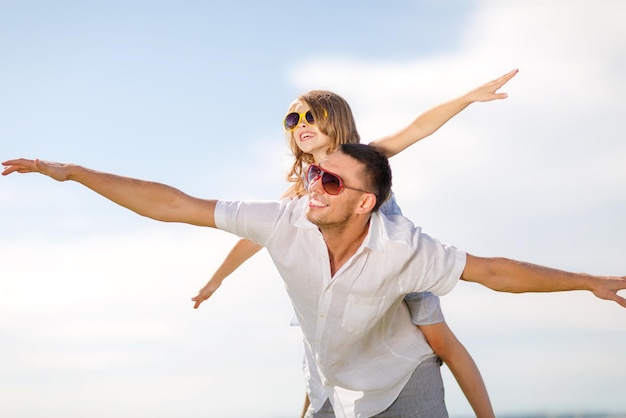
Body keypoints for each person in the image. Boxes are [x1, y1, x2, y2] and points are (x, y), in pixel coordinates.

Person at [2, 144, 625, 418]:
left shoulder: (405, 250)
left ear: (364, 204)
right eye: (312, 175)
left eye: (330, 181)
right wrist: (72, 172)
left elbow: (494, 272)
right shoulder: (281, 220)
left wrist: (588, 282)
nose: (311, 188)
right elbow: (174, 203)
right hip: (335, 392)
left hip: (402, 387)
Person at [192, 70, 518, 418]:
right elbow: (255, 234)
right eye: (293, 118)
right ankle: (315, 409)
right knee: (325, 339)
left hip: (398, 264)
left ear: (338, 122)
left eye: (311, 116)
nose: (301, 124)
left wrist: (467, 98)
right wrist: (217, 279)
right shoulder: (307, 186)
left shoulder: (362, 158)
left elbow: (416, 129)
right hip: (353, 275)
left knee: (441, 343)